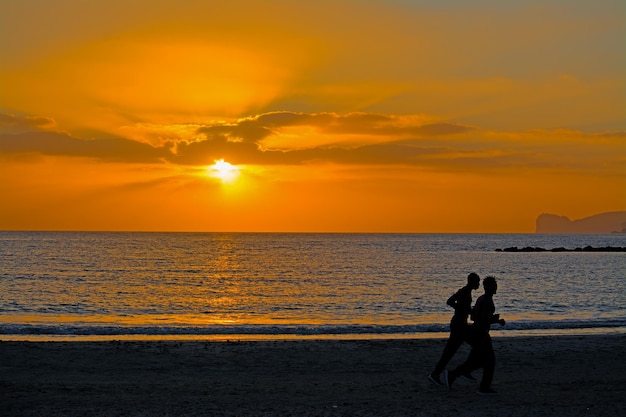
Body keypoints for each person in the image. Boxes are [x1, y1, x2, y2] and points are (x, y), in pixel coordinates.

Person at [444, 276, 505, 395]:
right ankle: (483, 388)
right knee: (489, 361)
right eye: (493, 286)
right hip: (481, 334)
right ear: (488, 287)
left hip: (478, 333)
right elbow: (482, 320)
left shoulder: (481, 299)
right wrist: (497, 320)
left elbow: (474, 317)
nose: (495, 288)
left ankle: (453, 375)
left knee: (477, 362)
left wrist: (490, 318)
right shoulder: (486, 300)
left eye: (495, 285)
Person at [427, 272, 481, 386]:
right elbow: (450, 301)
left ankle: (438, 373)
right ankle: (461, 371)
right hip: (459, 326)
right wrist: (462, 309)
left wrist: (468, 310)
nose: (478, 284)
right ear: (471, 282)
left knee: (451, 351)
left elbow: (462, 306)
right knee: (474, 346)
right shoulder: (464, 291)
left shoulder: (467, 291)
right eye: (477, 282)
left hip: (461, 325)